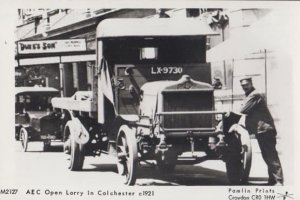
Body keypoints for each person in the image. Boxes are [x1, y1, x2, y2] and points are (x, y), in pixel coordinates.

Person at [239, 77, 284, 186]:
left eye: (246, 84)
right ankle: (273, 180)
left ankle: (278, 181)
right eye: (243, 85)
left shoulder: (254, 95)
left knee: (270, 155)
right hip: (261, 130)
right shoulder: (250, 95)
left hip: (265, 130)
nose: (244, 87)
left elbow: (243, 110)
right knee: (267, 155)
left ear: (251, 83)